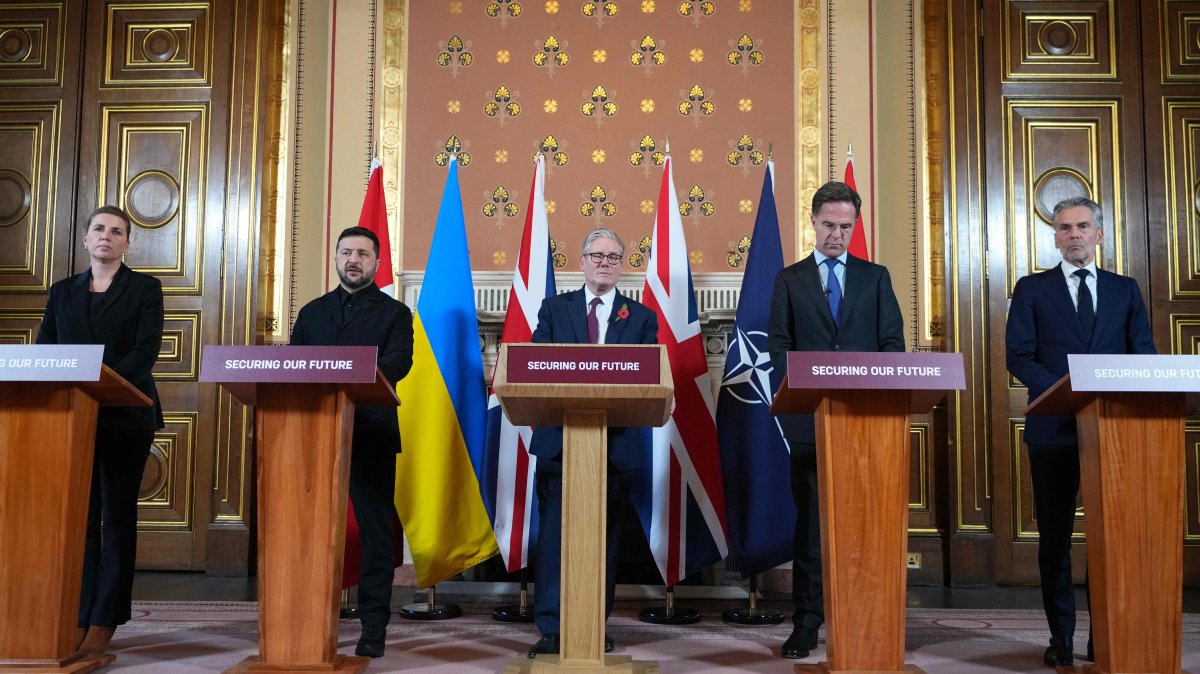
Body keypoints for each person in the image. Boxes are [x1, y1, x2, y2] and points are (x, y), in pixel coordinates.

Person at [1005, 196, 1155, 667]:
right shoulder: (1032, 288)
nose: (1074, 235)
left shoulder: (1124, 290)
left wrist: (1108, 396)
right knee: (1055, 539)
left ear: (1099, 234)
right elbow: (1019, 356)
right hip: (1053, 430)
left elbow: (1143, 356)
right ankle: (1062, 639)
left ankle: (1104, 635)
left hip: (1114, 432)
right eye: (1065, 228)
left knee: (1112, 539)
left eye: (1082, 226)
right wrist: (1067, 392)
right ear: (1055, 237)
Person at [766, 181, 905, 659]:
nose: (837, 235)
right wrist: (810, 384)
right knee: (812, 528)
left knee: (866, 523)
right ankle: (807, 622)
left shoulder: (875, 277)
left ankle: (867, 615)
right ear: (813, 222)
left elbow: (892, 346)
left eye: (846, 227)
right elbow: (779, 348)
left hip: (867, 425)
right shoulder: (790, 279)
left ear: (854, 226)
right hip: (810, 423)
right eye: (829, 225)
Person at [36, 205, 165, 657]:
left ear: (127, 243)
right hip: (73, 416)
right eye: (99, 229)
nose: (106, 236)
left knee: (118, 518)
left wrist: (99, 382)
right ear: (86, 239)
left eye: (116, 231)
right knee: (83, 518)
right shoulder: (62, 291)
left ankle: (105, 617)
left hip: (125, 415)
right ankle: (78, 613)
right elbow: (47, 348)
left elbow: (145, 351)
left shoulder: (145, 289)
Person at [526, 227, 658, 659]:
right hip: (560, 444)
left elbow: (649, 376)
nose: (605, 263)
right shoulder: (554, 308)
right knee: (554, 541)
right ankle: (551, 628)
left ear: (622, 266)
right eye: (597, 255)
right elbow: (535, 366)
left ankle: (591, 626)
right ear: (581, 262)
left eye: (613, 257)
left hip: (615, 447)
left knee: (605, 541)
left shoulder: (641, 318)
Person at [289, 225, 413, 658]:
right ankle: (306, 617)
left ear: (376, 262)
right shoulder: (312, 312)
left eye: (362, 253)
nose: (353, 260)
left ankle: (373, 625)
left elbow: (399, 362)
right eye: (346, 252)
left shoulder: (395, 313)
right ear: (337, 258)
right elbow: (293, 366)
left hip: (371, 434)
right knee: (309, 530)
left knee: (376, 535)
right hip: (315, 434)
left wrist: (351, 370)